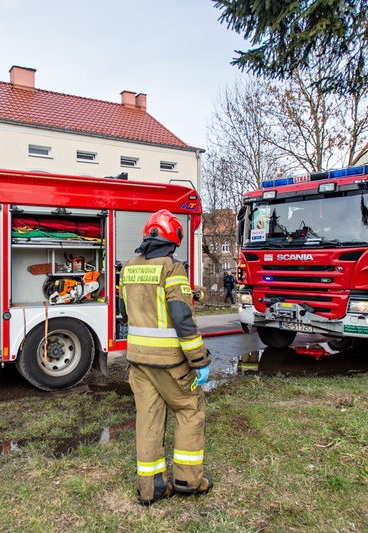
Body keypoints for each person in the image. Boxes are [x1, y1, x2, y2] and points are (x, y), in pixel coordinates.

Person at [121, 209, 213, 505]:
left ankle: (152, 488)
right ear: (173, 237)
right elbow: (180, 316)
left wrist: (188, 295)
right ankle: (188, 480)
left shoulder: (129, 267)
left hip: (138, 361)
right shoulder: (173, 268)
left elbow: (131, 310)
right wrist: (199, 360)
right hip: (171, 364)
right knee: (190, 410)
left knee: (148, 419)